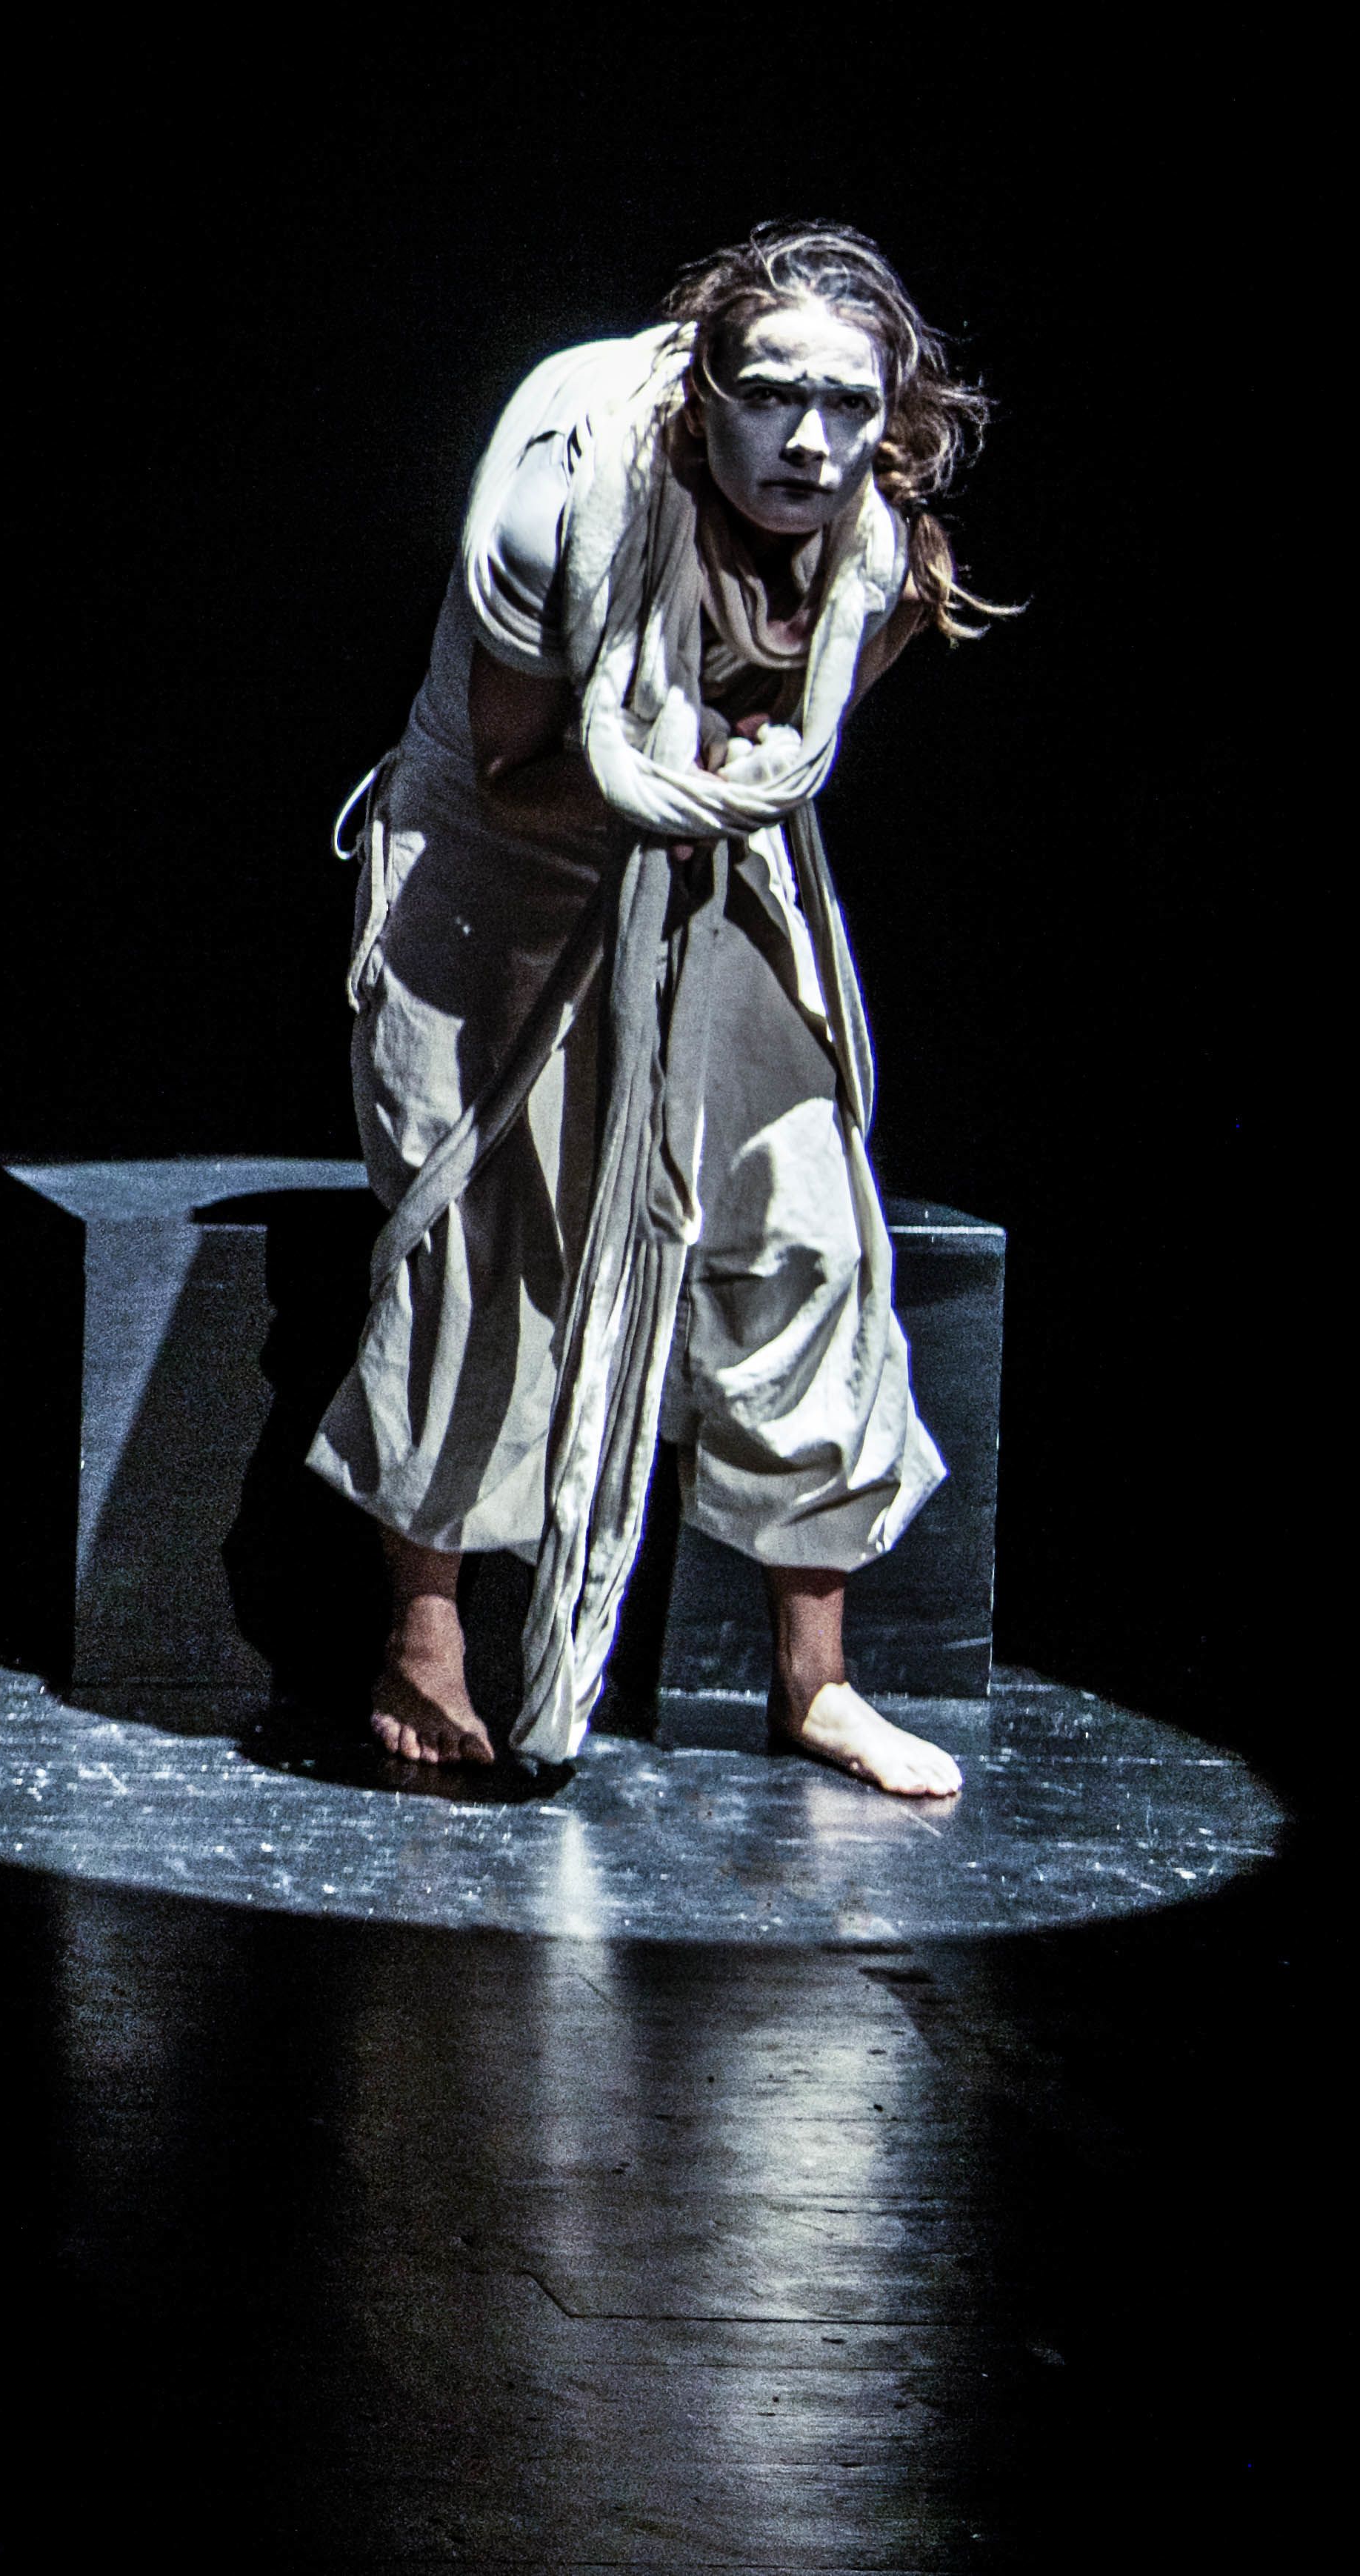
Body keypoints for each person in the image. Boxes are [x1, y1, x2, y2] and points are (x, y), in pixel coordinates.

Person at [319, 224, 1007, 1797]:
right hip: (504, 840)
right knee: (480, 1227)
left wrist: (717, 772)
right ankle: (423, 1646)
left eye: (846, 406)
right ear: (704, 398)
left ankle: (812, 1678)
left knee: (805, 1214)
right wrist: (673, 765)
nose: (810, 442)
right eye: (773, 398)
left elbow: (781, 740)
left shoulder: (873, 552)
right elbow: (512, 757)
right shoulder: (560, 495)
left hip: (711, 837)